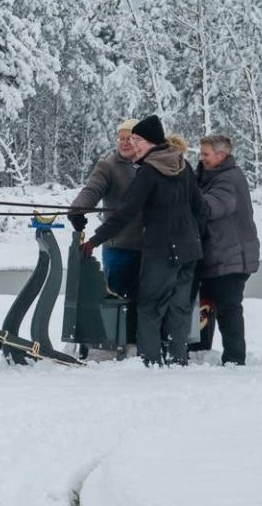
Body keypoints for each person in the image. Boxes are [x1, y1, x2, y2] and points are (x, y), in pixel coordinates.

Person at [81, 115, 207, 366]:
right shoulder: (183, 165)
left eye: (137, 140)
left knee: (150, 307)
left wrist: (94, 240)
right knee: (179, 309)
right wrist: (194, 239)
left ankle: (149, 362)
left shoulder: (149, 172)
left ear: (150, 142)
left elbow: (125, 213)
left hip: (161, 252)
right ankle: (176, 358)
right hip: (188, 251)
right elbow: (200, 209)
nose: (133, 144)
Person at [192, 134, 260, 365]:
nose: (201, 158)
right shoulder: (206, 175)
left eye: (206, 154)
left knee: (228, 309)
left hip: (231, 256)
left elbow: (213, 206)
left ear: (222, 155)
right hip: (215, 255)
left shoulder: (229, 179)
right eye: (200, 153)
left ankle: (234, 359)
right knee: (206, 305)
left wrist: (186, 198)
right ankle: (202, 350)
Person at [68, 119, 144, 298]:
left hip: (150, 250)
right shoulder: (108, 166)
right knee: (113, 304)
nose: (125, 143)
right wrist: (77, 209)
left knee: (144, 307)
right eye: (121, 139)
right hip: (118, 248)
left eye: (130, 138)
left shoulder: (151, 166)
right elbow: (92, 190)